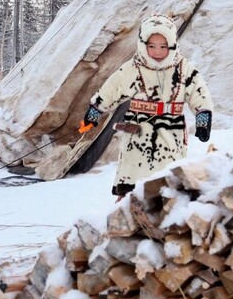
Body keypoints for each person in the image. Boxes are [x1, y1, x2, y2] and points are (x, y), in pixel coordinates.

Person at [81, 14, 214, 198]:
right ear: (143, 45)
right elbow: (113, 89)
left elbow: (199, 93)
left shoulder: (184, 69)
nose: (157, 52)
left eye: (163, 46)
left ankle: (166, 211)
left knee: (169, 179)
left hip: (171, 132)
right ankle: (125, 209)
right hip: (138, 132)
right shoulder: (134, 67)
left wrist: (203, 119)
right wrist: (95, 111)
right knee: (132, 181)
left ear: (172, 45)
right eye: (151, 46)